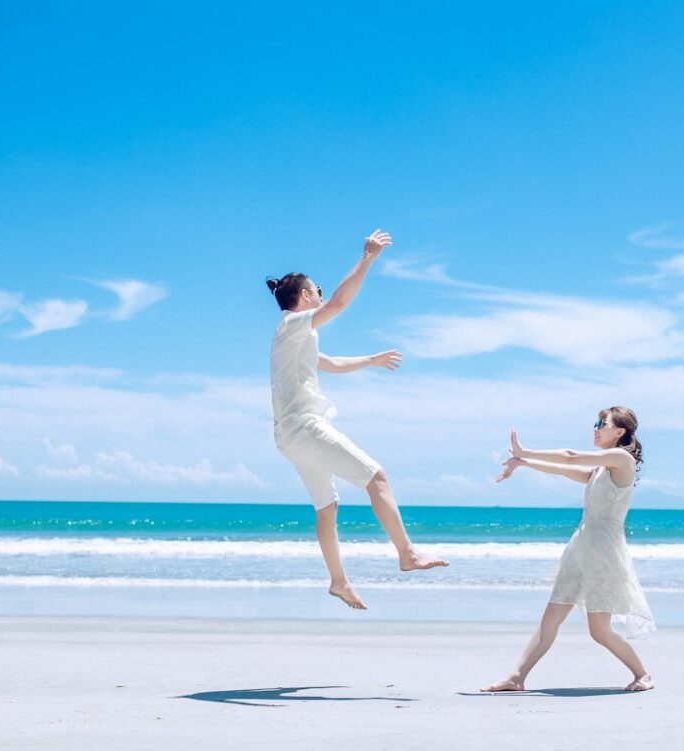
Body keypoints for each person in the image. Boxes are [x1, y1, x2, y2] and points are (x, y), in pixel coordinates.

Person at [266, 230, 447, 610]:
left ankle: (338, 582)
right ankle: (407, 553)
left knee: (326, 508)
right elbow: (339, 304)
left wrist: (372, 360)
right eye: (316, 290)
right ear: (304, 296)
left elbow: (330, 364)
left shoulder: (295, 337)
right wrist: (367, 258)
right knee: (376, 477)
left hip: (290, 437)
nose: (320, 293)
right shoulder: (292, 325)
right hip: (305, 427)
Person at [484, 407, 655, 692]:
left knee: (599, 630)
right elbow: (564, 468)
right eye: (595, 423)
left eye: (602, 423)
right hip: (581, 547)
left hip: (603, 552)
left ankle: (643, 675)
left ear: (620, 431)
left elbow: (570, 456)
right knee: (552, 615)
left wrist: (526, 451)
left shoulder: (621, 459)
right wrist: (522, 462)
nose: (596, 428)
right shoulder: (602, 468)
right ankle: (517, 677)